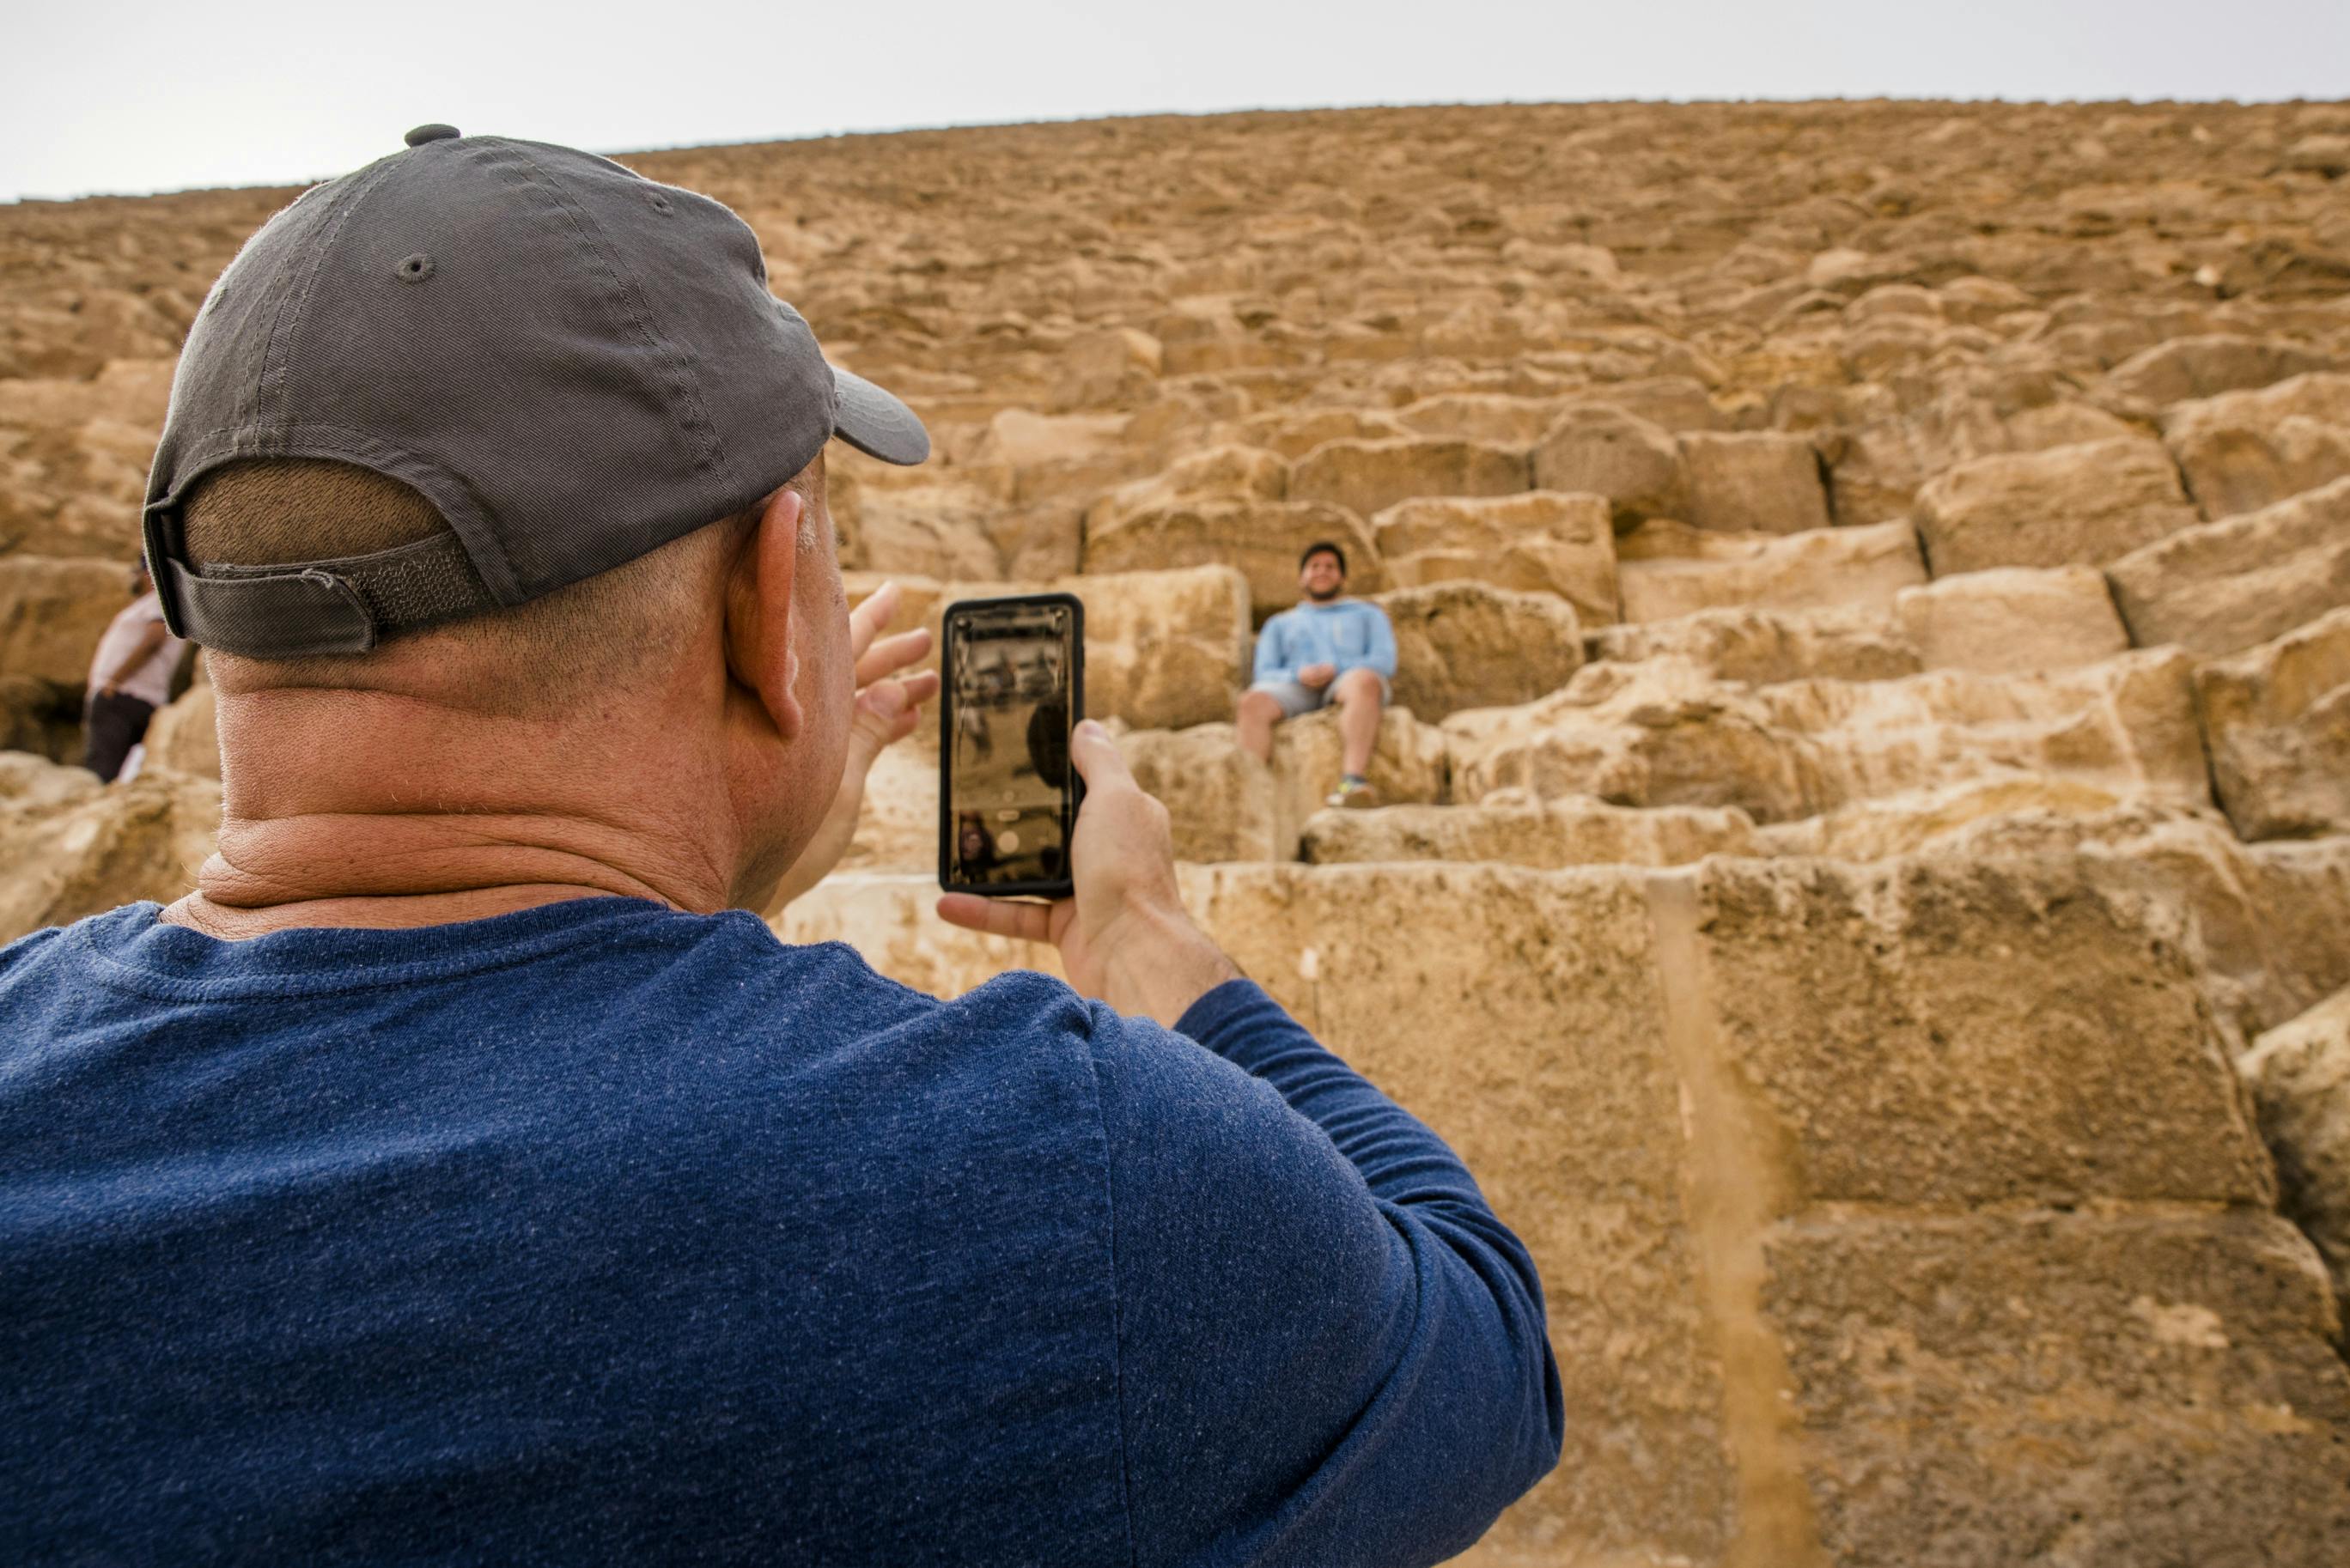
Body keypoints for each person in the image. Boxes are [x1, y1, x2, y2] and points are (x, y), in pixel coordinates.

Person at [0, 128, 1560, 1566]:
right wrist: (1147, 938)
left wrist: (691, 891)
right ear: (774, 597)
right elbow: (1485, 1342)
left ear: (211, 623)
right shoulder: (1060, 1178)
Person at [1238, 540, 1398, 806]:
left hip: (1345, 681)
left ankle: (1352, 782)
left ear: (1343, 577)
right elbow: (1264, 673)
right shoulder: (1279, 624)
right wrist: (1297, 675)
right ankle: (1250, 797)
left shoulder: (1369, 615)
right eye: (1314, 566)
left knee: (1366, 681)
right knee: (1251, 702)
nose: (1322, 571)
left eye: (1330, 567)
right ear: (1302, 578)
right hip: (1296, 687)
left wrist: (1339, 668)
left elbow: (1384, 660)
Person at [78, 557, 188, 781]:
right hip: (131, 697)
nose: (132, 578)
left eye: (135, 572)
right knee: (120, 771)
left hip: (124, 697)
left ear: (148, 574)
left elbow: (154, 638)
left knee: (101, 771)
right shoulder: (156, 604)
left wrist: (113, 682)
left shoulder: (159, 601)